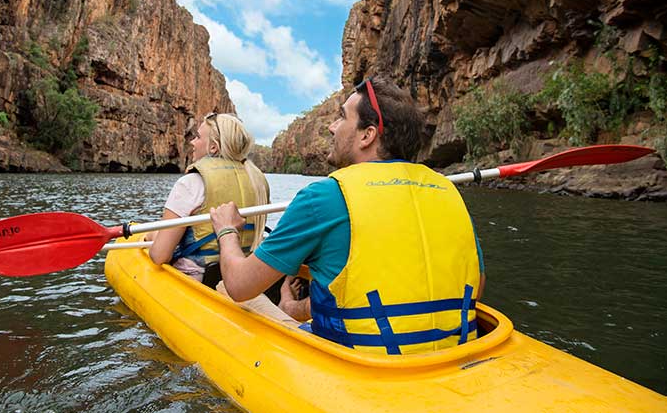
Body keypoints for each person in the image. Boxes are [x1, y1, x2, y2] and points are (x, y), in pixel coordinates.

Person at [209, 77, 486, 355]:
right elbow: (477, 286)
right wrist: (297, 307)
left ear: (367, 135)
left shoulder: (323, 197)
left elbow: (240, 285)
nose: (331, 127)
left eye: (342, 117)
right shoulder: (448, 191)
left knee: (222, 288)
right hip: (451, 357)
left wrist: (227, 231)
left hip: (363, 363)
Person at [146, 113, 269, 284]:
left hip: (202, 280)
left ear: (213, 147)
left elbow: (160, 256)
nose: (192, 142)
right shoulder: (258, 182)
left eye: (197, 137)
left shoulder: (191, 182)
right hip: (244, 275)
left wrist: (153, 237)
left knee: (153, 241)